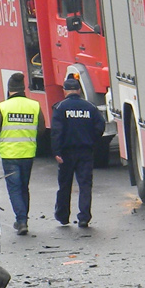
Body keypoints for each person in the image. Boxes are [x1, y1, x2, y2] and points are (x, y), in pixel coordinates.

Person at [0, 73, 44, 235]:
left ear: (9, 90)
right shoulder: (35, 105)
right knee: (24, 187)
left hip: (10, 154)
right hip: (28, 153)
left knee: (14, 188)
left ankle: (21, 220)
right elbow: (41, 130)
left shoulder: (4, 107)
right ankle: (23, 217)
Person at [50, 74, 105, 228]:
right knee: (85, 185)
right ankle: (84, 217)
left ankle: (62, 216)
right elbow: (100, 127)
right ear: (79, 90)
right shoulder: (90, 107)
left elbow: (56, 132)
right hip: (85, 152)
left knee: (65, 185)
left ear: (65, 91)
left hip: (66, 153)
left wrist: (56, 151)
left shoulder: (60, 108)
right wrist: (92, 141)